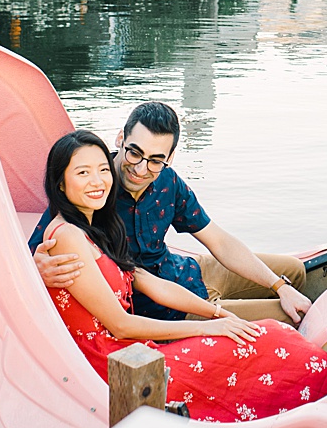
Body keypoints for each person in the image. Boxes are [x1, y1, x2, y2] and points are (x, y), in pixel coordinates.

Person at [41, 129, 327, 422]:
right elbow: (120, 325)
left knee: (266, 321)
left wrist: (219, 314)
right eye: (82, 173)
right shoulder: (67, 234)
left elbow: (156, 284)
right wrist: (209, 329)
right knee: (272, 335)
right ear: (60, 183)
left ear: (169, 158)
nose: (98, 181)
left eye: (102, 171)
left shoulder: (101, 227)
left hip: (142, 334)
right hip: (115, 362)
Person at [30, 102, 311, 324]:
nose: (141, 169)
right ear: (120, 139)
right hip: (167, 309)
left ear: (170, 158)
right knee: (289, 317)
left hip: (187, 272)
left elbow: (219, 241)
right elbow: (38, 248)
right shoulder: (94, 190)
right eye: (134, 153)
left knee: (294, 272)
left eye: (155, 160)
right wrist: (38, 268)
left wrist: (278, 286)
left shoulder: (168, 182)